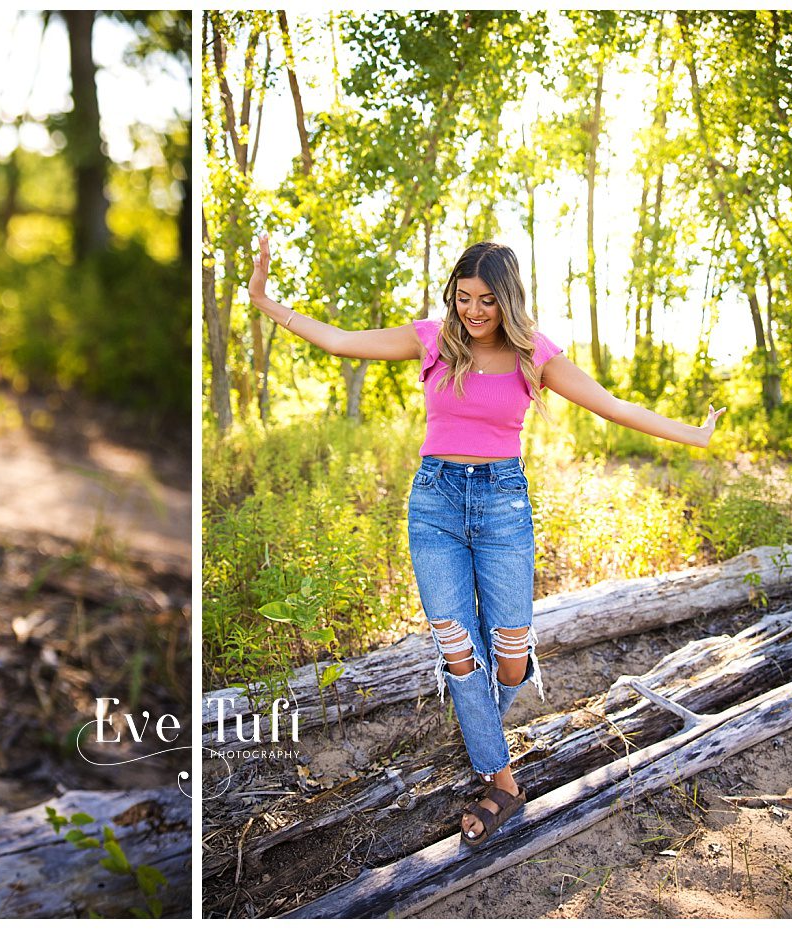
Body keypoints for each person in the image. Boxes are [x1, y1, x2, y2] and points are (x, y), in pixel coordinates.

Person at [246, 236, 723, 846]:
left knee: (510, 657)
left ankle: (480, 727)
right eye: (464, 298)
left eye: (487, 301)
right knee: (457, 648)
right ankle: (502, 780)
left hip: (502, 506)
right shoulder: (432, 340)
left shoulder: (536, 358)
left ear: (509, 301)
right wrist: (265, 301)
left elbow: (612, 406)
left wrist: (694, 436)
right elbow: (341, 340)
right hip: (434, 504)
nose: (473, 312)